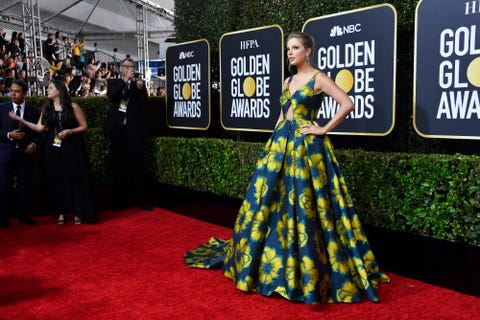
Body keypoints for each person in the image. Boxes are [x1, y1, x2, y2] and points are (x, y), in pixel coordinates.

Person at [184, 32, 389, 304]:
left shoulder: (319, 78)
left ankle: (309, 268)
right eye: (288, 48)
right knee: (272, 202)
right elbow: (283, 115)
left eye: (295, 48)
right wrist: (273, 142)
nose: (290, 53)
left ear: (308, 51)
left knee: (307, 202)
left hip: (306, 148)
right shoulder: (288, 80)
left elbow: (347, 103)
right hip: (281, 146)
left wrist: (323, 128)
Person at [10, 80, 97, 225]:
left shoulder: (73, 106)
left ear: (59, 90)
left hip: (72, 147)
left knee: (74, 179)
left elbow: (84, 126)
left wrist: (70, 131)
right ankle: (60, 213)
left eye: (50, 88)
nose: (48, 90)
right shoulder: (47, 108)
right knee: (56, 179)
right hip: (52, 148)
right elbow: (39, 128)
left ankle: (78, 211)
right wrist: (20, 120)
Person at [104, 58, 152, 211]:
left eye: (133, 67)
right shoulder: (114, 82)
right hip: (118, 131)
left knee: (138, 166)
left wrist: (140, 87)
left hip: (134, 131)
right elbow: (112, 95)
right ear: (121, 68)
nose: (131, 69)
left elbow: (144, 106)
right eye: (127, 67)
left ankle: (143, 200)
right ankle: (119, 202)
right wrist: (125, 81)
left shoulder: (138, 84)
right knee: (119, 167)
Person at [0, 79, 40, 228]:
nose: (12, 94)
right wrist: (9, 134)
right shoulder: (2, 108)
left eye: (16, 91)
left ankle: (25, 216)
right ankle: (4, 218)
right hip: (5, 154)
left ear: (24, 93)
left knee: (25, 185)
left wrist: (34, 144)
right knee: (4, 186)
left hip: (25, 154)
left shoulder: (33, 111)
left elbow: (38, 132)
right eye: (11, 90)